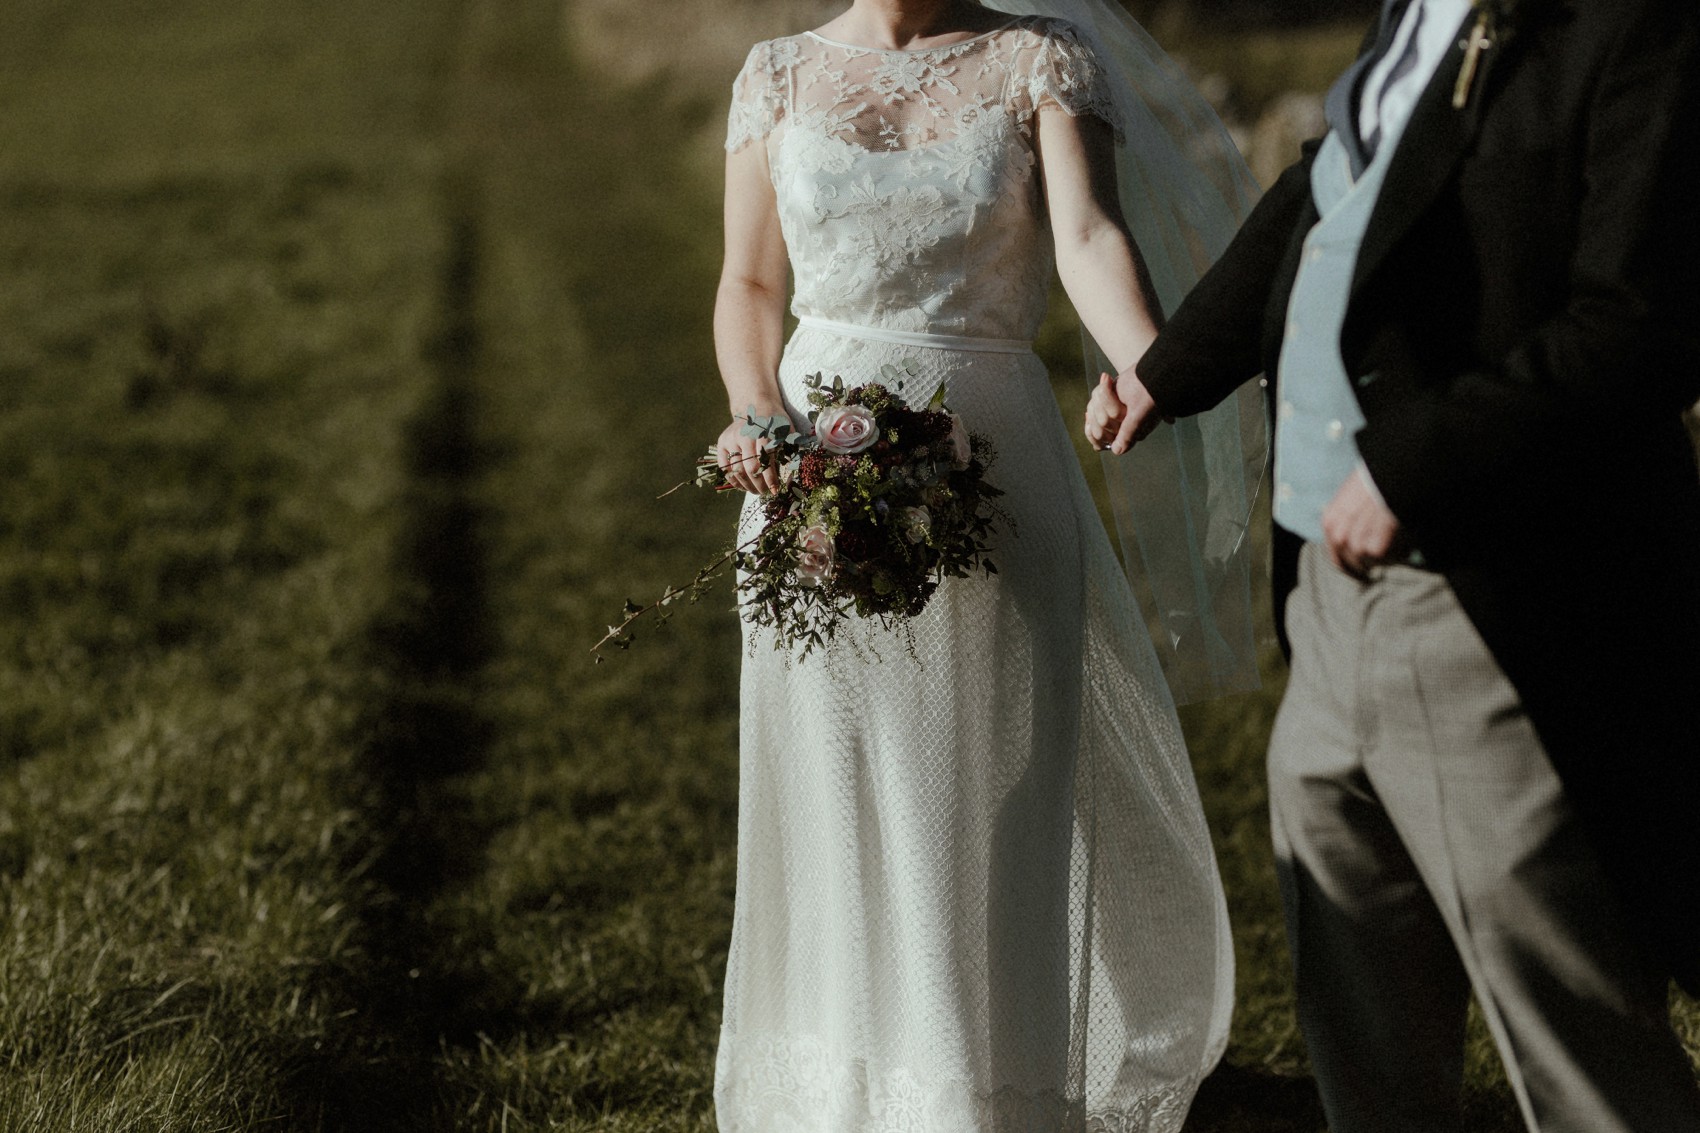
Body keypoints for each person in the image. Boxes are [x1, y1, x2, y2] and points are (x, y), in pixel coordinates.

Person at [1088, 0, 1700, 1129]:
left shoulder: (1633, 29)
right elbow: (1320, 197)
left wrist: (1421, 464)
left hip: (1488, 598)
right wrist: (1167, 368)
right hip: (1324, 595)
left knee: (1570, 1032)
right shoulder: (1413, 14)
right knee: (1360, 1012)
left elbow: (1644, 322)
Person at [708, 0, 1255, 1127]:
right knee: (845, 770)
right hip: (813, 463)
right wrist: (756, 415)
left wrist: (1147, 366)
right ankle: (862, 1077)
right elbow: (750, 284)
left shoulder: (1037, 59)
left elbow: (1089, 238)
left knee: (1003, 763)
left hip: (993, 455)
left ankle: (985, 1081)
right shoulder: (773, 75)